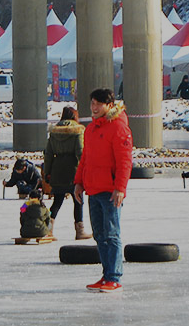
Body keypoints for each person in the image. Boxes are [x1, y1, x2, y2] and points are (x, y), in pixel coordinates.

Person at [74, 88, 132, 293]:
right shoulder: (90, 129)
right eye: (92, 103)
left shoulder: (118, 128)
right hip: (93, 190)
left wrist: (120, 188)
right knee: (99, 234)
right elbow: (85, 159)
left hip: (110, 191)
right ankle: (106, 274)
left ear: (109, 105)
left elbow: (125, 161)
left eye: (99, 104)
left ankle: (114, 277)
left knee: (112, 233)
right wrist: (79, 182)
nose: (94, 107)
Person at [43, 106, 90, 240]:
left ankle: (48, 229)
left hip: (57, 170)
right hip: (73, 170)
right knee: (78, 201)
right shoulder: (77, 131)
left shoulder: (54, 132)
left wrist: (47, 172)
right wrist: (85, 170)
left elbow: (48, 155)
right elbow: (80, 152)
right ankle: (80, 231)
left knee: (57, 202)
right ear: (74, 116)